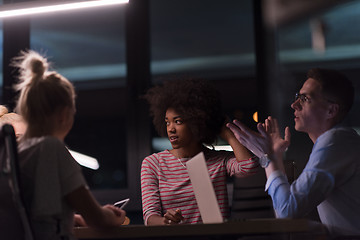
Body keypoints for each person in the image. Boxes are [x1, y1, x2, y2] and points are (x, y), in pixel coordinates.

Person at [7, 50, 126, 240]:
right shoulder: (52, 149)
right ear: (64, 114)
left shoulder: (14, 154)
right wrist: (113, 216)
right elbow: (97, 219)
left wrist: (73, 217)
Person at [227, 68, 360, 236]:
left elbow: (287, 211)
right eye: (298, 96)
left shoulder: (334, 141)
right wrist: (268, 157)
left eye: (305, 99)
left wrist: (269, 158)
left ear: (331, 111)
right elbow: (286, 208)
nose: (294, 105)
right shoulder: (340, 142)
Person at [141, 79, 259, 225]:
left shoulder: (219, 160)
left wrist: (228, 134)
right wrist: (166, 221)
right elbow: (149, 217)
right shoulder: (153, 164)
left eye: (178, 121)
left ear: (197, 122)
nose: (170, 129)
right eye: (167, 122)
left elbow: (249, 167)